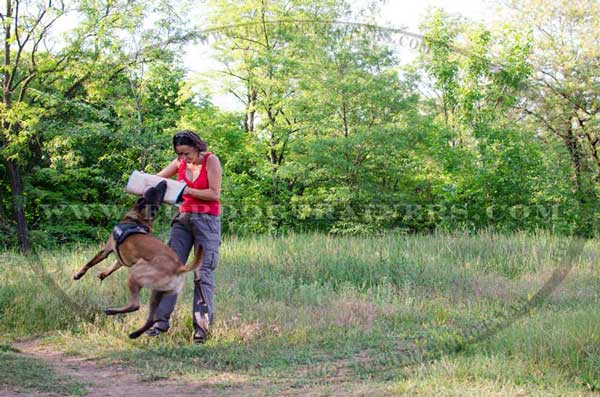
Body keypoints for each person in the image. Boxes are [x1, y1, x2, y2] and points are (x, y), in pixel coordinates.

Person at [146, 130, 222, 344]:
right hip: (183, 219)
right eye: (179, 154)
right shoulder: (179, 163)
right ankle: (159, 324)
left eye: (186, 153)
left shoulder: (211, 160)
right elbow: (157, 179)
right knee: (170, 267)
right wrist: (142, 179)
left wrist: (185, 190)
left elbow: (214, 194)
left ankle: (201, 330)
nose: (183, 158)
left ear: (197, 147)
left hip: (207, 222)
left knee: (202, 273)